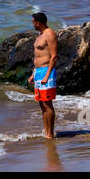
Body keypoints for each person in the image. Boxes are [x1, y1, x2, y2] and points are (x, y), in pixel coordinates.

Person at [29, 11, 58, 140]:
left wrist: (47, 75)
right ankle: (47, 132)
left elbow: (54, 56)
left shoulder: (50, 34)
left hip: (47, 71)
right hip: (38, 72)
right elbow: (37, 56)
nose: (32, 24)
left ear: (38, 22)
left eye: (33, 22)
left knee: (47, 104)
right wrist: (33, 74)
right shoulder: (39, 35)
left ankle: (50, 134)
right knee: (41, 104)